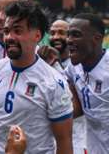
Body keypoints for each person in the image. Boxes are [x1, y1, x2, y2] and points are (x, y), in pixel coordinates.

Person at [0, 1, 73, 154]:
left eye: (17, 31)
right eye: (7, 31)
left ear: (37, 35)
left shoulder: (54, 82)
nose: (9, 37)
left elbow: (64, 141)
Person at [65, 13, 109, 153]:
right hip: (93, 147)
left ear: (96, 39)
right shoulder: (73, 68)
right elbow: (75, 109)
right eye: (69, 35)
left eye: (76, 35)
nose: (69, 40)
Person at [44, 19, 87, 154]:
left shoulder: (80, 66)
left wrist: (57, 65)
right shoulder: (43, 65)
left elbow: (77, 108)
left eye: (62, 33)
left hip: (78, 139)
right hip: (52, 140)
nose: (56, 37)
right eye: (52, 33)